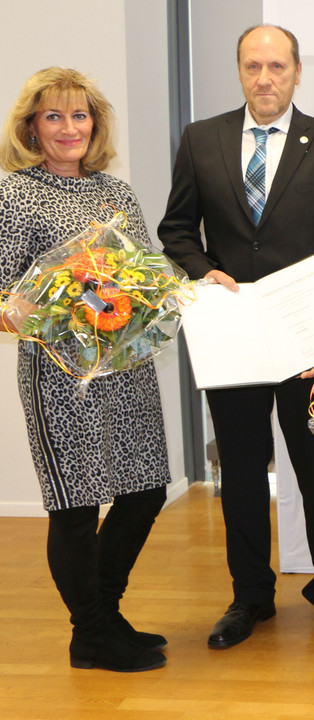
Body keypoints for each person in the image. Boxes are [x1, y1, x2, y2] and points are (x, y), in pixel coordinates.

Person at [157, 24, 314, 650]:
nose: (265, 78)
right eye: (253, 66)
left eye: (277, 66)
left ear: (298, 71)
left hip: (307, 344)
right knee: (243, 473)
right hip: (234, 337)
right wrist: (202, 272)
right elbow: (177, 229)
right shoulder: (202, 139)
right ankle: (250, 596)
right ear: (240, 70)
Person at [0, 67, 170, 672]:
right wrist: (65, 306)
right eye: (54, 116)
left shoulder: (115, 193)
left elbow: (147, 276)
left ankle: (104, 614)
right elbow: (3, 301)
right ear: (31, 127)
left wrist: (164, 291)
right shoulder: (14, 194)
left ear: (94, 124)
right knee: (75, 507)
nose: (69, 128)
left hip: (127, 366)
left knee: (145, 491)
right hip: (59, 376)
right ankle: (92, 631)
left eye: (79, 116)